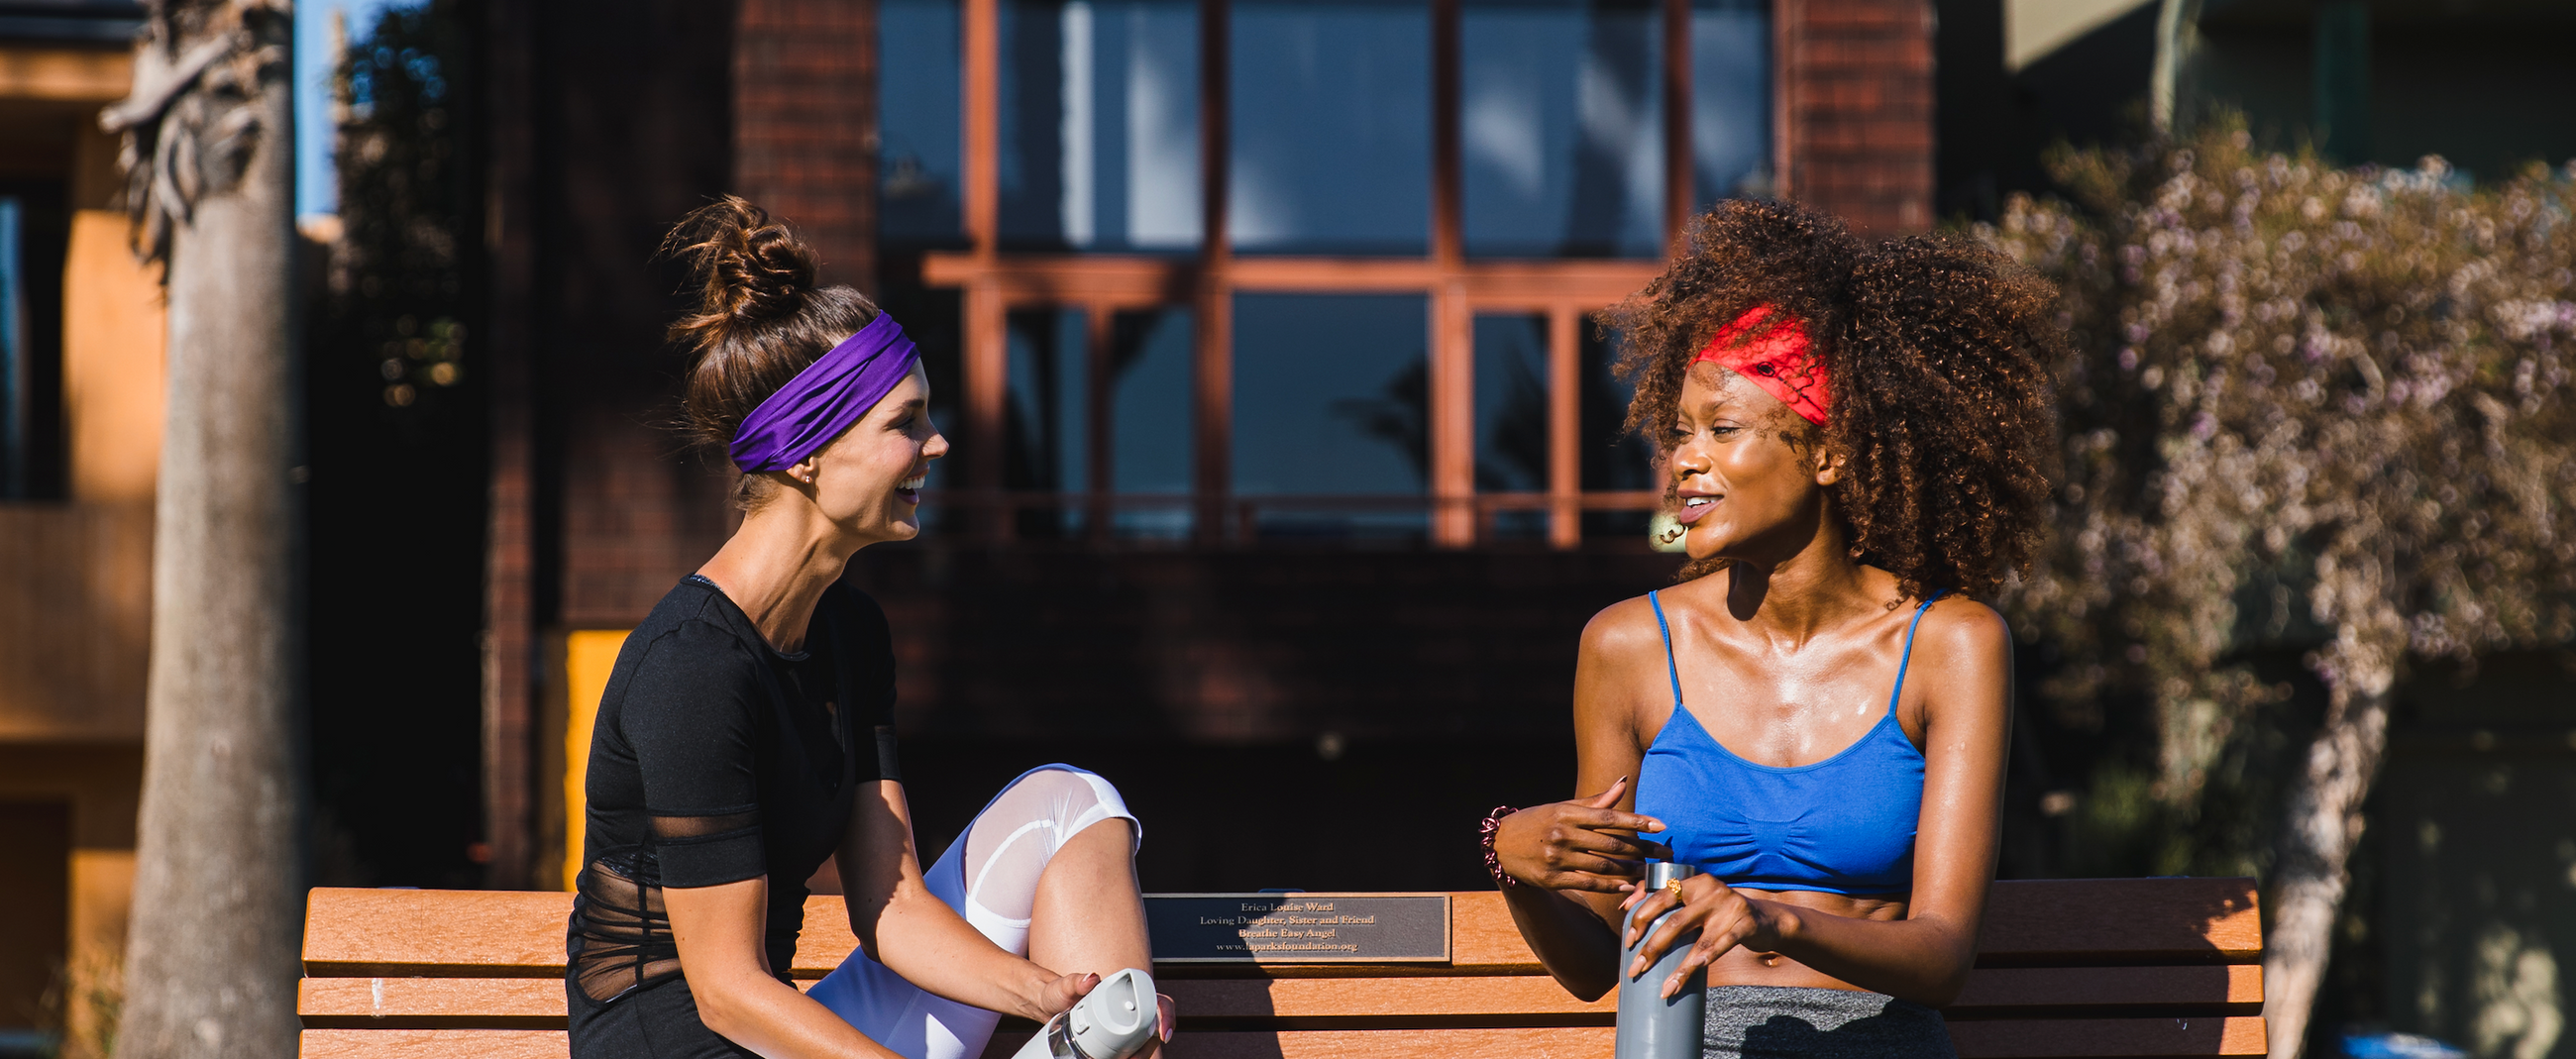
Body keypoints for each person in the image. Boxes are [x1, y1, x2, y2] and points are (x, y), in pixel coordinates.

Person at [565, 198, 1174, 1059]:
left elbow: (891, 907)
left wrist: (1056, 997)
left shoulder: (847, 632)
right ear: (807, 451)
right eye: (905, 422)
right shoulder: (691, 668)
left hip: (778, 1038)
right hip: (692, 1045)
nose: (937, 445)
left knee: (1072, 804)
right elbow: (730, 992)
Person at [1481, 198, 2057, 1057]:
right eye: (1678, 434)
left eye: (1723, 429)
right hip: (1679, 1039)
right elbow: (1598, 961)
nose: (1685, 459)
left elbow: (1942, 957)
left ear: (1828, 454)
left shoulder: (1952, 645)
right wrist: (1516, 863)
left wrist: (1767, 917)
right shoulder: (1627, 646)